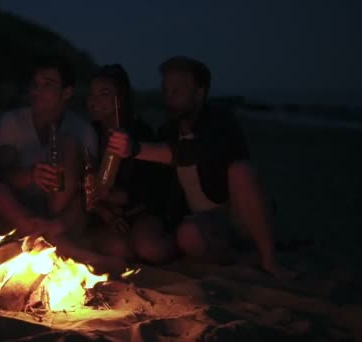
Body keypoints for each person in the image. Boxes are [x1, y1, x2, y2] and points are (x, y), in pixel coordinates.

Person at [107, 56, 292, 279]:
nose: (169, 95)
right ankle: (241, 259)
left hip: (238, 216)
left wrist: (135, 149)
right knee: (182, 237)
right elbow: (159, 182)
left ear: (199, 92)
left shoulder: (221, 122)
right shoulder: (168, 131)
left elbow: (188, 153)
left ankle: (269, 259)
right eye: (166, 88)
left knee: (240, 170)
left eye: (178, 89)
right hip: (201, 223)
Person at [0, 55, 98, 241]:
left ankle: (46, 233)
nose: (37, 90)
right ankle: (47, 237)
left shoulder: (82, 129)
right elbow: (1, 174)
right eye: (35, 84)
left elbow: (91, 187)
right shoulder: (12, 121)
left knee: (70, 146)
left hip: (64, 216)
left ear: (66, 93)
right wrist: (31, 175)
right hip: (20, 211)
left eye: (48, 84)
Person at [86, 64, 176, 264]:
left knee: (149, 248)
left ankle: (182, 247)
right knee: (121, 250)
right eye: (91, 94)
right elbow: (84, 187)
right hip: (103, 213)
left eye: (104, 94)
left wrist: (114, 196)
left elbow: (151, 191)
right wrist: (107, 213)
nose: (94, 101)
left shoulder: (138, 134)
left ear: (121, 98)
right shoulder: (88, 134)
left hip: (140, 210)